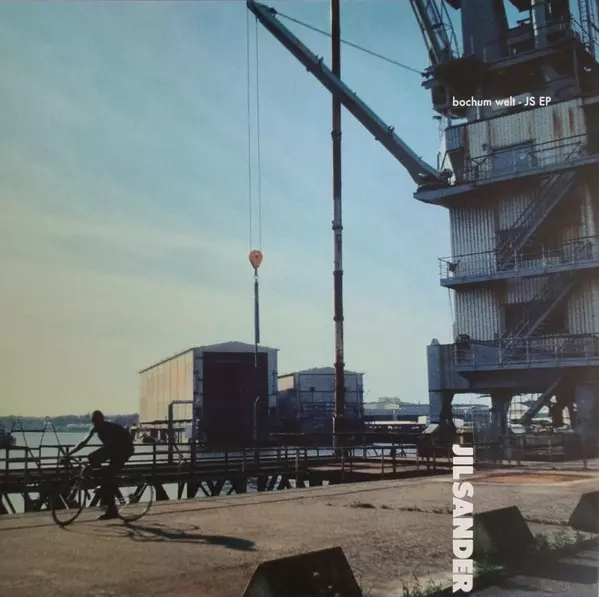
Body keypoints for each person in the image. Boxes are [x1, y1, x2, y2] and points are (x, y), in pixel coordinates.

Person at [66, 410, 134, 520]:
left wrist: (94, 459)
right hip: (113, 449)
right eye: (93, 421)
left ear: (102, 420)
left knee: (108, 476)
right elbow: (83, 443)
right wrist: (69, 454)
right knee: (94, 462)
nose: (95, 424)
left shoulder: (110, 428)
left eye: (97, 421)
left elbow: (109, 448)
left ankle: (112, 511)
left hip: (125, 449)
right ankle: (98, 485)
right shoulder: (95, 429)